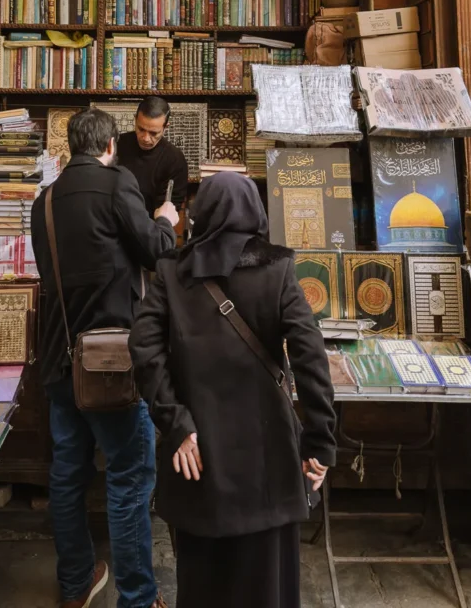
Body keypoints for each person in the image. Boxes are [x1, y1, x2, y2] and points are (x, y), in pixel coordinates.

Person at [129, 172, 336, 608]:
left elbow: (144, 349)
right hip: (269, 460)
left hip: (198, 458)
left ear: (200, 214)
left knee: (203, 582)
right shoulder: (277, 269)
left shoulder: (172, 271)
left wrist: (176, 422)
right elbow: (310, 355)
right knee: (267, 586)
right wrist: (319, 442)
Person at [31, 108, 179, 608]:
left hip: (58, 358)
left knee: (68, 475)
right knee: (130, 475)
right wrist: (165, 219)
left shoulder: (44, 201)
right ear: (111, 145)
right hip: (111, 362)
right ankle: (137, 597)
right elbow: (156, 252)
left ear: (70, 148)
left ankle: (76, 585)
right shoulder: (118, 185)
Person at [117, 97, 189, 216]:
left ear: (165, 127)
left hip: (151, 227)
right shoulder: (116, 146)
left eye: (153, 133)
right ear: (135, 120)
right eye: (141, 129)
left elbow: (169, 209)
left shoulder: (174, 160)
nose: (145, 138)